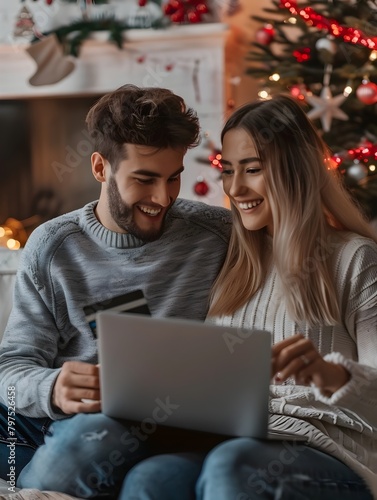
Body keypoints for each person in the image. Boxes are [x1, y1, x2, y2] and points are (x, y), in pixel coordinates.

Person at [120, 94, 377, 499]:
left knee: (232, 466)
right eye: (228, 170)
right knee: (150, 478)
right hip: (234, 436)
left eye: (253, 169)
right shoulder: (232, 264)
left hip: (329, 448)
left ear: (297, 170)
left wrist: (331, 374)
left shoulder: (354, 258)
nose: (235, 188)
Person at [0, 84, 232, 498]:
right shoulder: (53, 246)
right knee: (90, 431)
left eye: (173, 177)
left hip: (180, 431)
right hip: (76, 423)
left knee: (99, 439)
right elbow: (12, 370)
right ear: (100, 168)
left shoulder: (217, 235)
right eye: (144, 180)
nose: (163, 198)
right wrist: (53, 388)